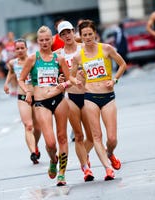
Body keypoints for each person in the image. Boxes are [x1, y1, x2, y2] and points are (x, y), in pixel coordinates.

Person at [70, 19, 126, 180]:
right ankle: (108, 169)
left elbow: (122, 64)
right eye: (84, 35)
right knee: (96, 136)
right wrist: (77, 81)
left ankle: (110, 153)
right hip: (90, 97)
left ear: (95, 34)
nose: (87, 37)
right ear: (80, 37)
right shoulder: (78, 56)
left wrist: (114, 80)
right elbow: (71, 77)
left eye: (90, 34)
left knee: (112, 138)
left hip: (108, 96)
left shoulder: (106, 49)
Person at [19, 25, 71, 186]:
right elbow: (21, 79)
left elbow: (69, 79)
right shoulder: (33, 58)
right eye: (41, 40)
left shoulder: (59, 59)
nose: (44, 42)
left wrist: (64, 84)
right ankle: (53, 160)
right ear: (38, 41)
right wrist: (28, 91)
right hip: (41, 102)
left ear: (52, 40)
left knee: (62, 137)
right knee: (50, 143)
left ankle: (61, 174)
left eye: (47, 39)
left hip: (59, 99)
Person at [55, 20, 94, 182]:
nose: (67, 36)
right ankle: (85, 168)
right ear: (60, 36)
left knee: (92, 137)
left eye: (69, 32)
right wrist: (60, 78)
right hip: (70, 97)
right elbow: (56, 77)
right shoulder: (58, 55)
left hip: (88, 95)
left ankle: (84, 157)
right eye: (63, 34)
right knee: (78, 136)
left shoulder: (83, 48)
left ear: (73, 32)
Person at [3, 39, 41, 164]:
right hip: (23, 96)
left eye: (22, 48)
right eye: (17, 49)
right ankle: (33, 153)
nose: (19, 50)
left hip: (36, 96)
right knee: (28, 126)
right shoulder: (12, 63)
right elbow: (11, 72)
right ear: (14, 50)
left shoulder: (34, 60)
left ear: (26, 48)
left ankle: (35, 145)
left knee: (38, 127)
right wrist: (6, 84)